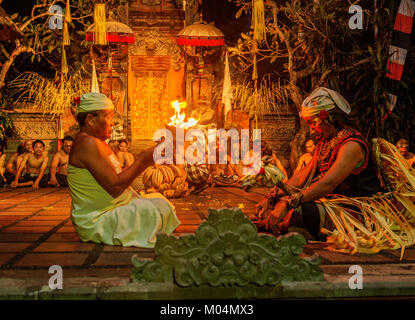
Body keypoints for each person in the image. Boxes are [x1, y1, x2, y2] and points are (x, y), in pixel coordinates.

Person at [255, 87, 382, 240]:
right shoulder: (326, 142)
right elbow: (302, 177)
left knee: (302, 209)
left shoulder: (351, 145)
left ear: (328, 118)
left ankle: (286, 226)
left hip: (357, 209)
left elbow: (328, 184)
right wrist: (271, 197)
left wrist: (287, 203)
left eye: (313, 123)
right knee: (290, 205)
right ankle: (288, 226)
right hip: (335, 203)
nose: (311, 130)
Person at [67, 92, 180, 248]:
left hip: (117, 206)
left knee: (161, 203)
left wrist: (146, 157)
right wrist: (143, 160)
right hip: (98, 218)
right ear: (91, 120)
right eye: (108, 117)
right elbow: (115, 186)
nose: (112, 122)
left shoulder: (98, 142)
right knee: (149, 211)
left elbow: (115, 174)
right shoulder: (87, 142)